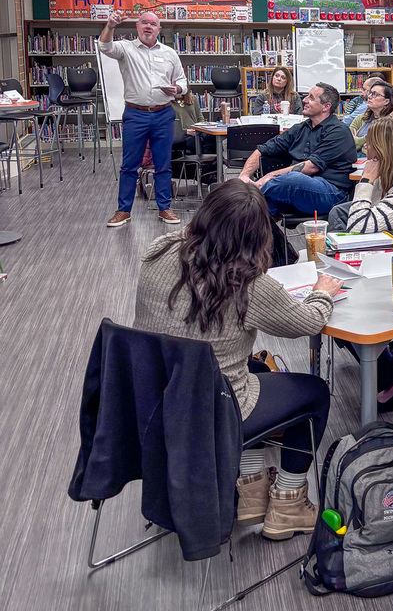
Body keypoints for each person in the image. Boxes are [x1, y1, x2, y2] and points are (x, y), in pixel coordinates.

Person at [133, 179, 343, 539]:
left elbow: (190, 238)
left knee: (254, 369)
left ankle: (252, 485)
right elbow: (308, 322)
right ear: (258, 235)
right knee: (314, 392)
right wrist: (322, 292)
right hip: (211, 414)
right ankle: (290, 500)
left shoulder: (158, 251)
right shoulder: (247, 284)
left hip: (152, 405)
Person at [100, 10, 187, 228]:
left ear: (159, 29)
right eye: (144, 23)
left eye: (153, 24)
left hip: (163, 113)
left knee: (163, 165)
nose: (148, 26)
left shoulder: (169, 53)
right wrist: (110, 26)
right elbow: (104, 47)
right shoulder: (125, 48)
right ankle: (123, 211)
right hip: (135, 114)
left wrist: (176, 88)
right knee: (130, 165)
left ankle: (165, 208)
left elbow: (183, 82)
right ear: (137, 27)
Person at [238, 82, 357, 216]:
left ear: (326, 107)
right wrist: (244, 176)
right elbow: (262, 149)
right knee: (260, 208)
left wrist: (268, 177)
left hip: (331, 192)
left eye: (311, 98)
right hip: (293, 188)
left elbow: (311, 167)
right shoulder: (301, 128)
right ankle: (253, 231)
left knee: (292, 179)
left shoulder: (338, 131)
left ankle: (247, 195)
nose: (304, 100)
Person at [328, 116, 393, 241]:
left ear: (382, 151)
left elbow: (357, 227)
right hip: (382, 240)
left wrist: (366, 180)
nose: (365, 145)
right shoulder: (386, 174)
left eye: (369, 143)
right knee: (338, 211)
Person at [350, 82, 393, 151]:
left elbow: (381, 152)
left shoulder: (391, 124)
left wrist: (358, 141)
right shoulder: (361, 118)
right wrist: (367, 140)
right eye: (370, 93)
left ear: (386, 101)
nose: (369, 96)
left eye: (375, 94)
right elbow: (347, 144)